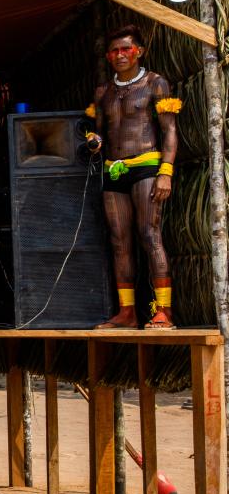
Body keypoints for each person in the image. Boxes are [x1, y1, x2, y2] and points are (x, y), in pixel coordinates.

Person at [88, 24, 178, 329]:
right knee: (119, 241)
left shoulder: (156, 84)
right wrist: (94, 141)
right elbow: (98, 132)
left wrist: (166, 171)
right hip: (114, 169)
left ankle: (163, 310)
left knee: (149, 234)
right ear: (108, 56)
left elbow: (169, 131)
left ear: (139, 51)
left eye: (126, 49)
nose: (120, 55)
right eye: (114, 51)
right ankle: (127, 312)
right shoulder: (103, 91)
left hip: (148, 166)